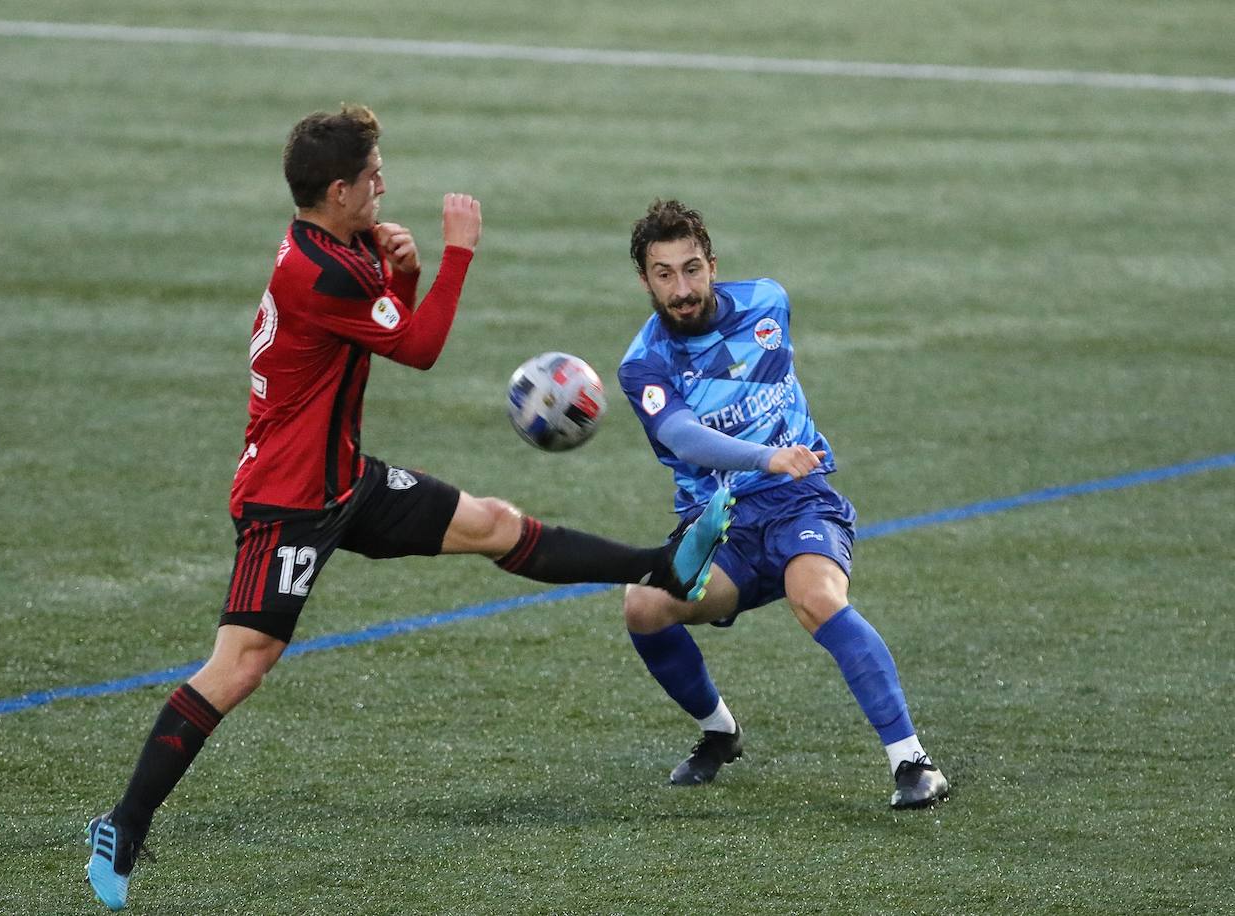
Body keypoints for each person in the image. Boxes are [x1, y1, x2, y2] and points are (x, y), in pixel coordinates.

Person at [83, 108, 732, 911]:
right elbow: (418, 349)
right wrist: (458, 253)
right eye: (373, 175)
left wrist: (406, 276)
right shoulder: (317, 270)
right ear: (337, 190)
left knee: (494, 522)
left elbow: (382, 327)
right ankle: (124, 824)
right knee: (242, 664)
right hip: (288, 505)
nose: (384, 182)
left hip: (344, 481)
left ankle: (661, 565)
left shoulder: (338, 249)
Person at [616, 199, 950, 809]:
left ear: (712, 265)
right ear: (645, 280)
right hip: (719, 525)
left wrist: (780, 465)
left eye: (692, 269)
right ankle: (720, 733)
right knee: (642, 606)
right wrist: (763, 455)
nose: (682, 289)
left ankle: (913, 762)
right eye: (664, 274)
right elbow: (681, 436)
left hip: (800, 499)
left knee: (818, 598)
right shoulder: (643, 365)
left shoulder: (768, 303)